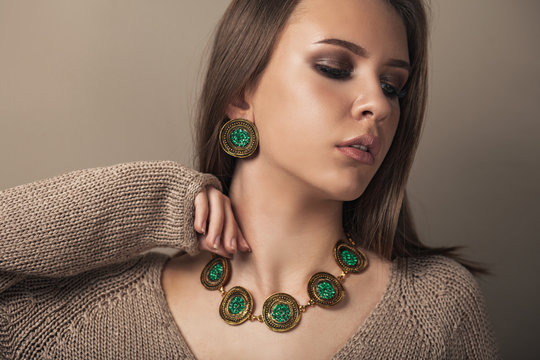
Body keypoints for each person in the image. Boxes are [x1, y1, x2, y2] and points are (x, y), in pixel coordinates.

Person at [0, 0, 499, 359]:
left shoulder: (434, 310)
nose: (378, 105)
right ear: (242, 92)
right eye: (334, 67)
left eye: (393, 86)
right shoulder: (87, 322)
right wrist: (155, 202)